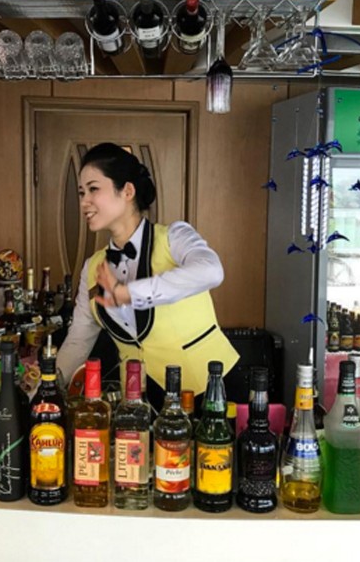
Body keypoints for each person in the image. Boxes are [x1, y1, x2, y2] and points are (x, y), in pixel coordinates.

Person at [55, 143, 240, 411]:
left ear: (127, 191)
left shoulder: (174, 238)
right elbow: (77, 342)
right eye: (82, 192)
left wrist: (130, 292)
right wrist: (45, 389)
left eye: (94, 189)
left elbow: (212, 270)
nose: (84, 201)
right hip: (140, 403)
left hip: (209, 394)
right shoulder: (93, 267)